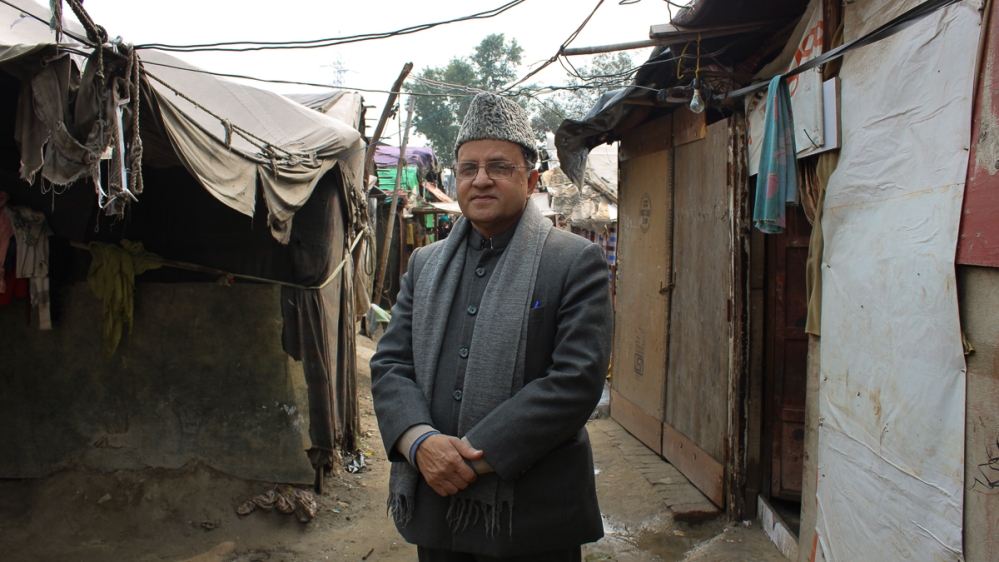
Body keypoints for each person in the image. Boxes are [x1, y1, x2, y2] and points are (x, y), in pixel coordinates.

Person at [370, 93, 612, 561]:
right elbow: (391, 363)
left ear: (531, 178)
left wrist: (469, 455)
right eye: (468, 168)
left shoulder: (573, 261)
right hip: (436, 510)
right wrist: (419, 443)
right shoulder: (425, 264)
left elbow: (575, 381)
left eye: (499, 166)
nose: (481, 179)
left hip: (533, 516)